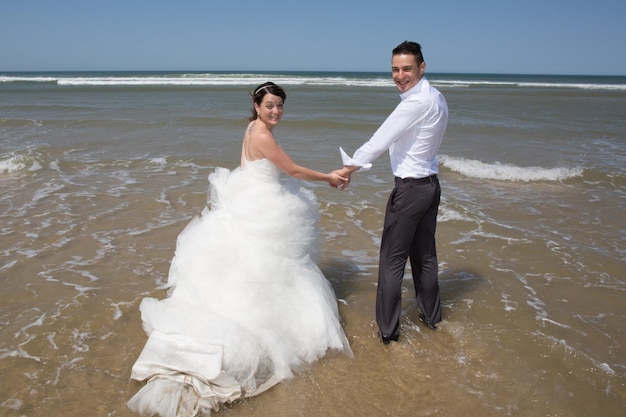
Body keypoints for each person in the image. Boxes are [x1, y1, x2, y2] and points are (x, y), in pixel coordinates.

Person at [128, 82, 352, 417]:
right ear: (257, 105)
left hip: (250, 198)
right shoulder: (262, 134)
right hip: (262, 205)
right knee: (266, 266)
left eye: (279, 105)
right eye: (269, 106)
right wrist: (330, 177)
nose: (275, 111)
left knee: (251, 267)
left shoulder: (251, 127)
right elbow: (291, 170)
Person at [334, 41, 448, 344]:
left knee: (391, 262)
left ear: (422, 68)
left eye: (407, 68)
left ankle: (388, 333)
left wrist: (348, 169)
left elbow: (379, 141)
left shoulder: (414, 103)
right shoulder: (436, 97)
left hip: (410, 190)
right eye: (395, 69)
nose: (400, 75)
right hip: (430, 187)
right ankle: (432, 318)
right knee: (425, 257)